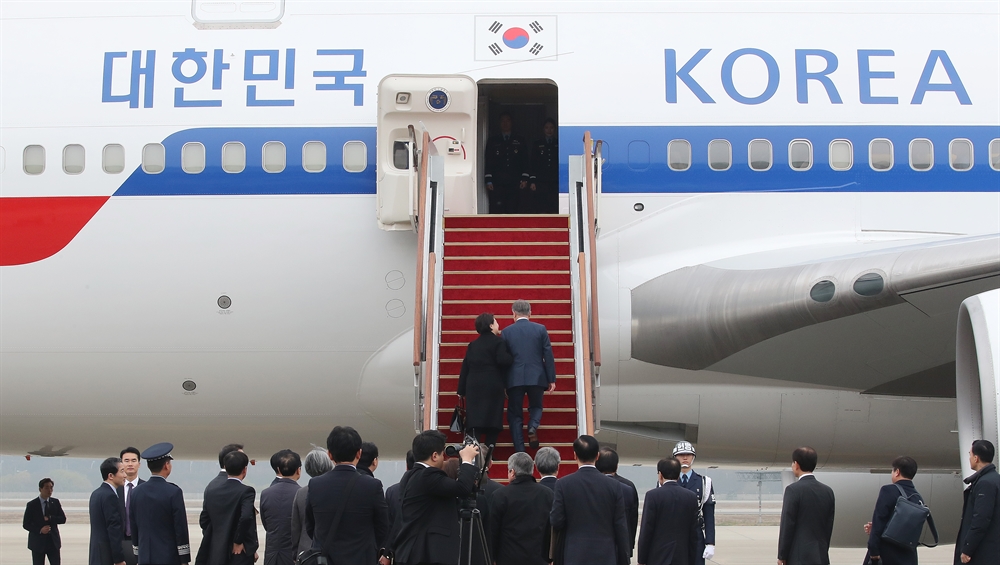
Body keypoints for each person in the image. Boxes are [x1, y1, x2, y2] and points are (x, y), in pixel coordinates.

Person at [392, 430, 480, 565]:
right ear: (434, 456)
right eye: (442, 454)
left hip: (412, 551)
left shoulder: (410, 475)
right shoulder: (428, 476)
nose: (444, 459)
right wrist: (467, 461)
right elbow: (462, 489)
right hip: (427, 554)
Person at [306, 426, 390, 565]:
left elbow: (310, 526)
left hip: (326, 559)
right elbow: (382, 528)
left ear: (330, 454)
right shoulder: (372, 486)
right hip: (362, 559)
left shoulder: (316, 485)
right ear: (359, 453)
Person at [550, 435, 629, 565]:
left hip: (574, 554)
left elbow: (556, 520)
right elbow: (620, 526)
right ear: (597, 456)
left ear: (575, 455)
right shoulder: (614, 486)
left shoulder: (563, 484)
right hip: (606, 555)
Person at [503, 299, 556, 451]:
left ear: (513, 313)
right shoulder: (540, 329)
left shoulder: (507, 332)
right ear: (530, 313)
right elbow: (548, 355)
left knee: (515, 414)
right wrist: (551, 378)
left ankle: (520, 450)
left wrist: (504, 382)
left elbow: (504, 359)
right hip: (537, 376)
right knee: (536, 406)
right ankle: (532, 425)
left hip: (515, 377)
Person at [458, 312, 514, 450]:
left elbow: (465, 366)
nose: (498, 325)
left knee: (474, 418)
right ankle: (489, 450)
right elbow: (503, 360)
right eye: (496, 322)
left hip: (474, 384)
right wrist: (512, 357)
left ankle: (474, 450)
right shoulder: (499, 342)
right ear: (490, 325)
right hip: (492, 383)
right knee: (493, 418)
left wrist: (461, 390)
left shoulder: (473, 344)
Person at [129, 443, 191, 565]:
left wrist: (137, 554)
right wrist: (184, 559)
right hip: (169, 557)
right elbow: (180, 527)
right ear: (166, 465)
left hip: (144, 556)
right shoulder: (174, 492)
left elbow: (134, 525)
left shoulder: (136, 492)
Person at [862, 456, 930, 565]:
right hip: (908, 556)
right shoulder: (918, 498)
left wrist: (873, 549)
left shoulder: (888, 491)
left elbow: (879, 519)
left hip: (887, 553)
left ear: (897, 472)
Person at [490, 452, 553, 565]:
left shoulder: (500, 495)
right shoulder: (547, 494)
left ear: (512, 472)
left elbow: (494, 531)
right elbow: (551, 529)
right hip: (538, 558)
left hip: (508, 558)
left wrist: (493, 557)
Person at [196, 450, 257, 565]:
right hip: (238, 553)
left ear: (225, 468)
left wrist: (217, 536)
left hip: (215, 551)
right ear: (245, 470)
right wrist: (238, 541)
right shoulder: (246, 491)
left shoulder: (212, 491)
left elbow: (204, 520)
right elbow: (246, 517)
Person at [777, 447, 835, 565]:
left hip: (798, 557)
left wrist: (782, 555)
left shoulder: (793, 490)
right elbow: (828, 526)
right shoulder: (828, 491)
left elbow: (788, 524)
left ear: (796, 464)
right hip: (821, 556)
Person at [636, 457, 699, 565]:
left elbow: (647, 530)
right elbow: (694, 533)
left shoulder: (653, 495)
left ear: (660, 475)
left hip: (657, 557)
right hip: (682, 557)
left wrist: (641, 559)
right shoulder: (691, 497)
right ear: (678, 475)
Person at [955, 439, 999, 564]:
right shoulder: (994, 479)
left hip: (983, 553)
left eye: (970, 454)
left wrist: (967, 548)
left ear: (976, 458)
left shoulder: (985, 483)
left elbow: (981, 518)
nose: (969, 458)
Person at [673, 441, 716, 563]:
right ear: (675, 458)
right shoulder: (666, 480)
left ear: (693, 457)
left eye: (688, 454)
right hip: (674, 534)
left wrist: (710, 542)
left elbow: (709, 514)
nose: (685, 458)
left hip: (696, 535)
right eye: (681, 455)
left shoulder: (704, 482)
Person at [261, 449, 301, 565]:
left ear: (279, 470)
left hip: (272, 555)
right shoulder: (301, 493)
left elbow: (266, 524)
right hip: (294, 555)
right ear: (298, 470)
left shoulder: (266, 493)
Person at [290, 448, 334, 557]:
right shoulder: (336, 490)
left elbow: (295, 528)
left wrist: (295, 553)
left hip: (306, 551)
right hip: (332, 550)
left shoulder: (301, 493)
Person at [596, 447, 639, 557]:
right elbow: (633, 519)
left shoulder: (590, 486)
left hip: (596, 546)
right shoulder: (628, 486)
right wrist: (630, 545)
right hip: (622, 545)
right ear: (616, 465)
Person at [484, 112, 529, 214]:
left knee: (514, 207)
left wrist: (525, 178)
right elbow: (489, 160)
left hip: (515, 181)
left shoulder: (519, 140)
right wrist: (488, 180)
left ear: (512, 123)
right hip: (498, 181)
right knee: (498, 208)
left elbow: (525, 160)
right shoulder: (493, 140)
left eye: (507, 120)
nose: (505, 123)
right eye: (503, 121)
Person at [89, 457, 127, 565]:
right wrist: (119, 559)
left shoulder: (96, 493)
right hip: (106, 554)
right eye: (122, 471)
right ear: (110, 476)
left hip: (97, 552)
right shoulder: (110, 496)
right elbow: (113, 528)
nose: (125, 475)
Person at [23, 477, 66, 565]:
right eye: (46, 488)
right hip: (37, 543)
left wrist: (50, 518)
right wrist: (40, 530)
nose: (49, 490)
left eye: (51, 487)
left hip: (53, 542)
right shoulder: (32, 505)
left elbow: (63, 519)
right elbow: (26, 524)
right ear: (40, 489)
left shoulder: (55, 502)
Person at [117, 447, 144, 565]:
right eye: (126, 461)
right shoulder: (115, 489)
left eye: (133, 460)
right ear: (121, 464)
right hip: (120, 541)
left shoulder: (146, 488)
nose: (130, 464)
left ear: (139, 464)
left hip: (141, 540)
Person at [527, 118, 559, 214]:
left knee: (553, 204)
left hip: (554, 180)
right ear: (543, 129)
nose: (549, 130)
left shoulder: (558, 143)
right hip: (541, 181)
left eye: (551, 128)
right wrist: (532, 180)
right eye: (546, 128)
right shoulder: (537, 144)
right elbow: (533, 163)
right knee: (541, 205)